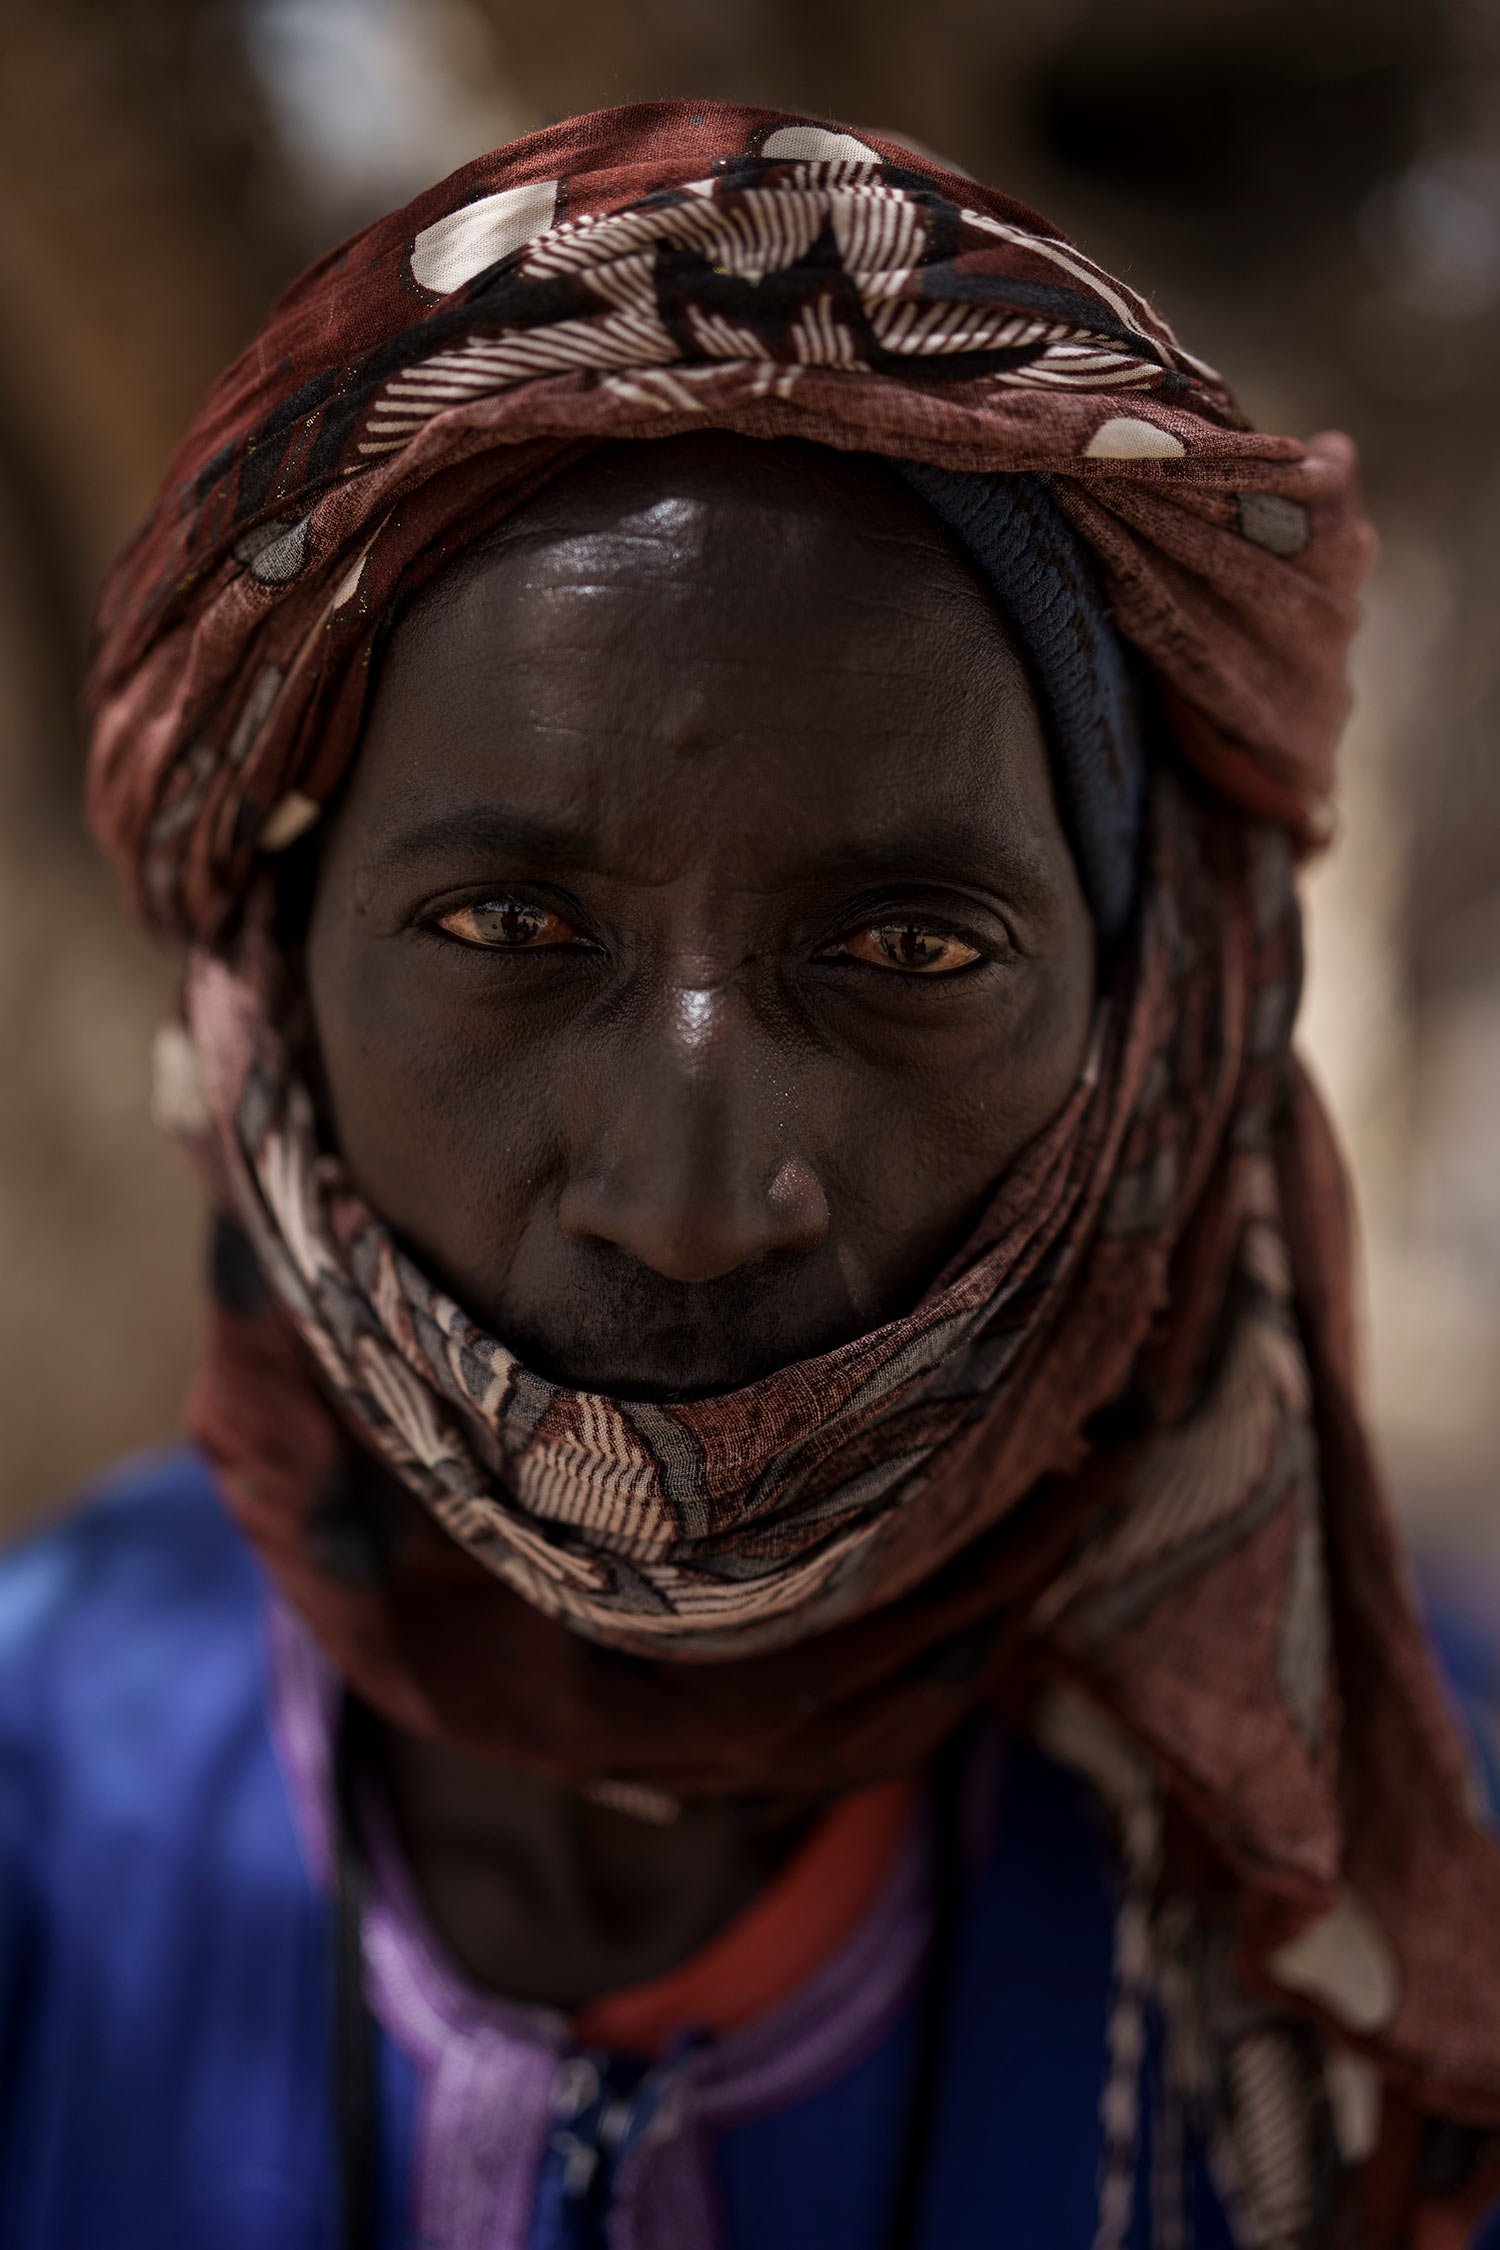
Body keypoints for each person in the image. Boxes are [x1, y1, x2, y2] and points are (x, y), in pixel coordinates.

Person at [3, 98, 1499, 2249]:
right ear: (273, 979)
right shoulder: (43, 1787)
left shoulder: (1421, 1896)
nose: (695, 1198)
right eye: (509, 934)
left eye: (908, 952)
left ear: (1156, 1012)